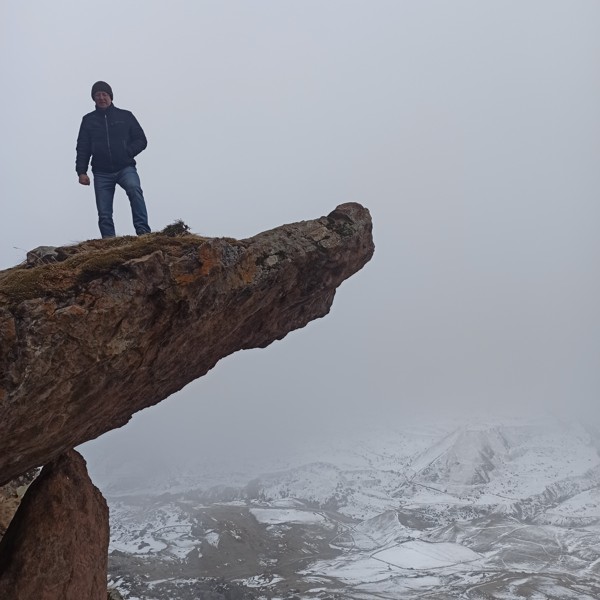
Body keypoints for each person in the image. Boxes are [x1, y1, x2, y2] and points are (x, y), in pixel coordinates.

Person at [76, 81, 151, 238]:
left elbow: (141, 140)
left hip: (125, 168)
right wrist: (81, 172)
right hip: (101, 172)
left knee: (134, 191)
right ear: (93, 98)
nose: (101, 98)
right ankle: (108, 242)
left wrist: (127, 151)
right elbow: (83, 147)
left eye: (104, 94)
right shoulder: (88, 120)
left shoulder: (126, 116)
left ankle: (143, 232)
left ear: (110, 96)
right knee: (104, 212)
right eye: (97, 95)